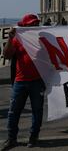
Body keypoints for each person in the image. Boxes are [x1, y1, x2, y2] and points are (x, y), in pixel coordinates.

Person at [2, 14, 45, 150]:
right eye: (32, 24)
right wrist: (10, 37)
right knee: (13, 111)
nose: (35, 26)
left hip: (37, 81)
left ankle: (33, 137)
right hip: (20, 81)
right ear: (25, 26)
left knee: (37, 111)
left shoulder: (42, 39)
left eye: (36, 24)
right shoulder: (17, 39)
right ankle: (11, 138)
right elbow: (7, 55)